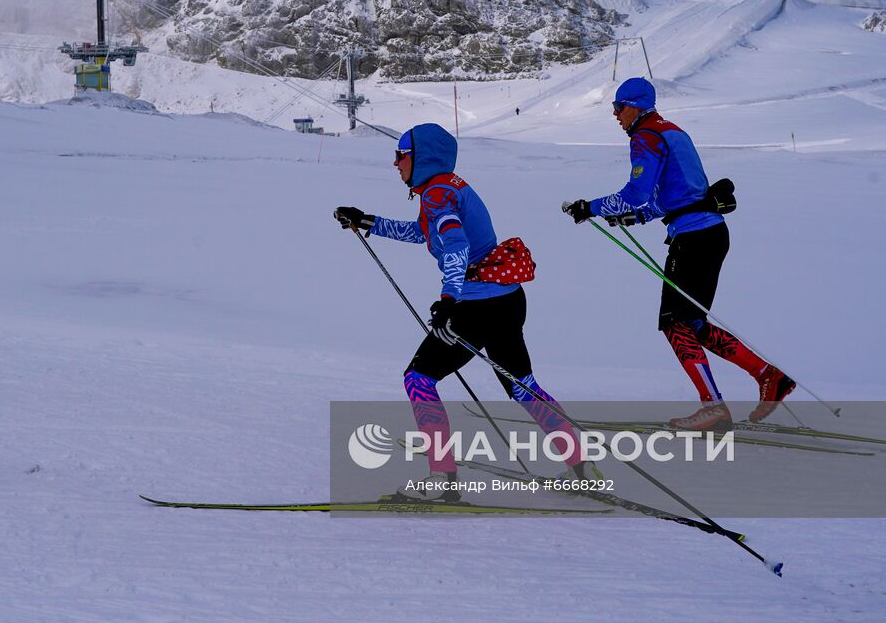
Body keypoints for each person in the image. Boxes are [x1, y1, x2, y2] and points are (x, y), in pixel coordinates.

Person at [336, 123, 593, 502]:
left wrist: (448, 300)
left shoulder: (437, 193)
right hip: (506, 300)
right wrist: (368, 221)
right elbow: (423, 232)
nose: (395, 164)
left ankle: (443, 482)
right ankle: (582, 466)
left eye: (400, 155)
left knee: (418, 379)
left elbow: (454, 246)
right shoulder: (446, 187)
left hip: (476, 308)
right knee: (523, 386)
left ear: (420, 158)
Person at [563, 78, 795, 431]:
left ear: (636, 106)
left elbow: (636, 193)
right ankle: (768, 376)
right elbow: (675, 194)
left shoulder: (646, 135)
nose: (615, 115)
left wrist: (589, 207)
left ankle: (713, 407)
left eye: (618, 107)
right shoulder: (673, 131)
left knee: (675, 325)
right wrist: (635, 216)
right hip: (710, 233)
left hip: (694, 238)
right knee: (694, 325)